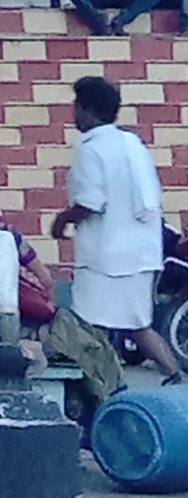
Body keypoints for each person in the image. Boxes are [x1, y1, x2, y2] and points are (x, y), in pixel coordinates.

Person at [50, 74, 172, 376]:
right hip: (142, 253)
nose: (74, 112)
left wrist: (61, 221)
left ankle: (103, 386)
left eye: (77, 106)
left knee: (88, 325)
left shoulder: (91, 149)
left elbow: (90, 202)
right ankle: (175, 375)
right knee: (138, 325)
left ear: (89, 111)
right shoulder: (132, 142)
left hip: (107, 258)